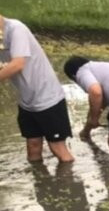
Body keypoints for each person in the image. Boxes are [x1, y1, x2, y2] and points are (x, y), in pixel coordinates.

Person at [0, 14, 74, 163]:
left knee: (57, 148)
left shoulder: (16, 29)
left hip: (48, 98)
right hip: (26, 101)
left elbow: (18, 64)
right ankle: (38, 178)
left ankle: (69, 177)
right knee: (32, 147)